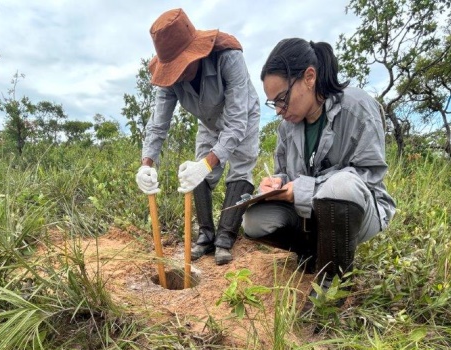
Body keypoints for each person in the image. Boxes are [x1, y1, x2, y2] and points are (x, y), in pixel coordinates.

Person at [243, 38, 395, 312]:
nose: (278, 110)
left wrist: (302, 188)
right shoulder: (287, 128)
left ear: (309, 77)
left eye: (281, 99)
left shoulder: (358, 107)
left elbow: (369, 175)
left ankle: (331, 287)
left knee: (340, 187)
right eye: (273, 104)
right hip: (310, 215)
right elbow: (287, 174)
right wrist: (277, 183)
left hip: (357, 210)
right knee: (255, 221)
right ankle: (314, 250)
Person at [135, 8, 260, 265]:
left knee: (239, 170)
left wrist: (207, 164)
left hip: (242, 118)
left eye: (182, 66)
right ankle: (205, 235)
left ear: (197, 53)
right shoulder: (169, 80)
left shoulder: (228, 57)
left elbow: (236, 123)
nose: (178, 75)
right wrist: (146, 164)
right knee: (196, 170)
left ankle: (225, 238)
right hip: (208, 122)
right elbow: (158, 125)